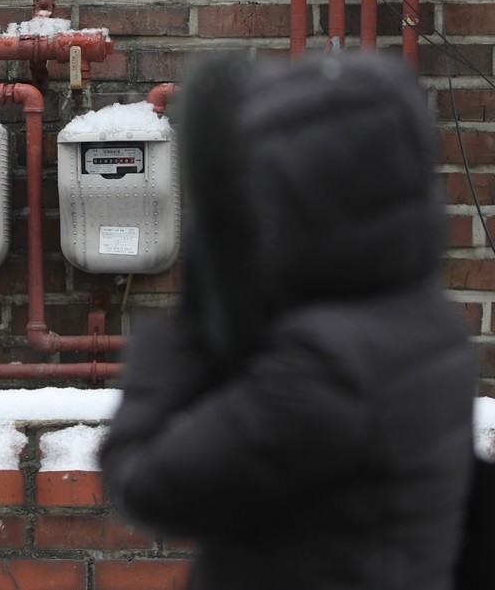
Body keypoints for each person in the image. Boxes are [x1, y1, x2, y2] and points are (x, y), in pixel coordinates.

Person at [99, 52, 478, 590]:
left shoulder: (326, 370)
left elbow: (146, 481)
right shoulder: (424, 321)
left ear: (311, 200)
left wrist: (189, 325)